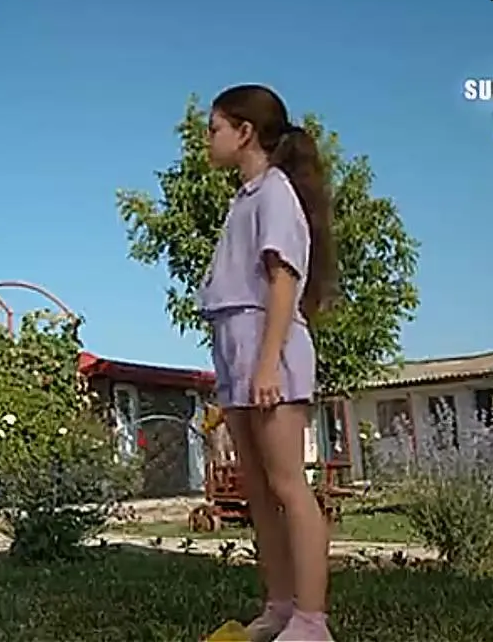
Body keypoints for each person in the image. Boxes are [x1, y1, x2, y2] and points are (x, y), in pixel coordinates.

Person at [196, 84, 338, 642]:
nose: (208, 139)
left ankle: (311, 621)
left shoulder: (276, 192)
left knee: (288, 485)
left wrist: (267, 363)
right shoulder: (244, 199)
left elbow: (283, 281)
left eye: (214, 128)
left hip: (267, 346)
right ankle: (279, 607)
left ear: (244, 132)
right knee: (257, 489)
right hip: (236, 349)